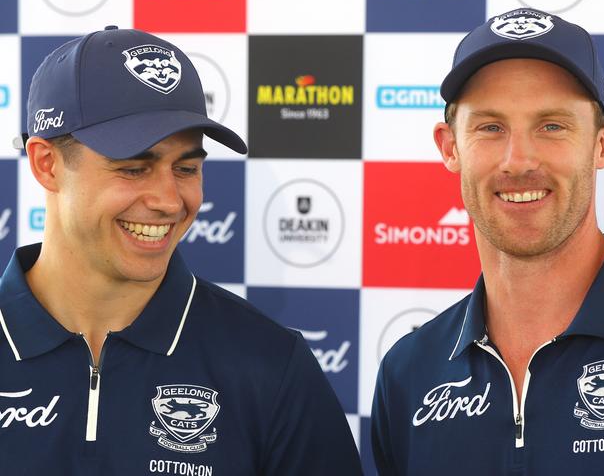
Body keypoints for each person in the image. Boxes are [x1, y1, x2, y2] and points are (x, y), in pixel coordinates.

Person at [0, 26, 363, 475]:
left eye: (186, 167)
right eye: (134, 168)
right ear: (46, 164)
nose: (170, 201)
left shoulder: (270, 365)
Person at [372, 8, 604, 475]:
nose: (517, 161)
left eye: (552, 126)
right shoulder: (409, 373)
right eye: (490, 127)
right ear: (449, 147)